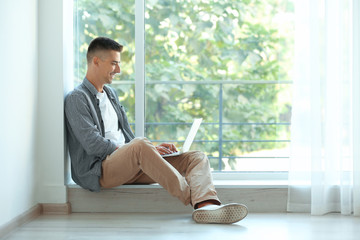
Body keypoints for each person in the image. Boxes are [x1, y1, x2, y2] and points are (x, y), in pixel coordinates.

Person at [64, 36, 248, 224]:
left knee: (196, 157)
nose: (118, 70)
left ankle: (207, 207)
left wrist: (150, 152)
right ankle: (192, 197)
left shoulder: (111, 94)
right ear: (96, 61)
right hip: (100, 170)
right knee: (141, 144)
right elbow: (93, 144)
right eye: (114, 64)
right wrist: (138, 149)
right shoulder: (77, 98)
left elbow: (128, 139)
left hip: (128, 162)